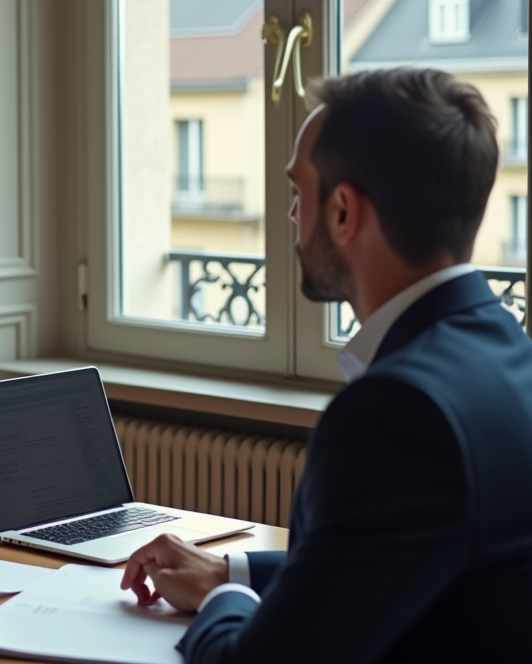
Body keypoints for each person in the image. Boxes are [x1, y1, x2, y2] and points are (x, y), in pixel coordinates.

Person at [121, 68, 532, 662]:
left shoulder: (397, 410)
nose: (291, 216)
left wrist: (218, 605)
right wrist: (230, 571)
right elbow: (399, 555)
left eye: (297, 193)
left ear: (343, 212)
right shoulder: (505, 353)